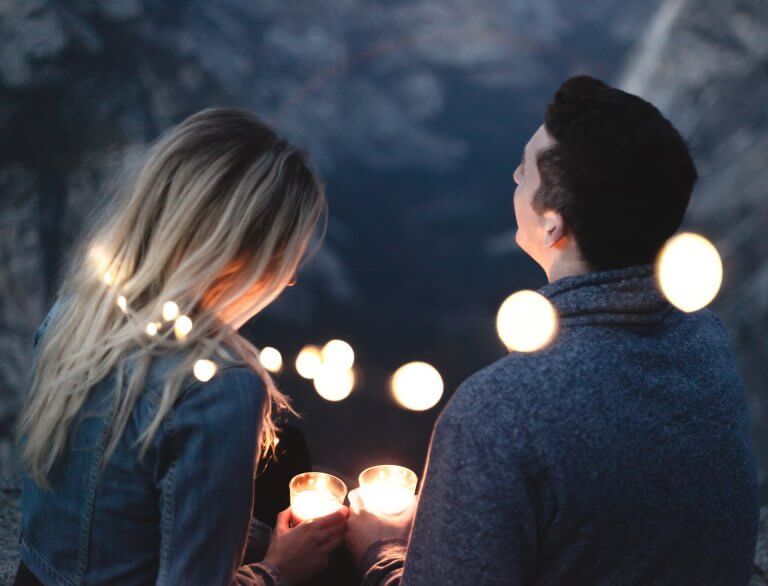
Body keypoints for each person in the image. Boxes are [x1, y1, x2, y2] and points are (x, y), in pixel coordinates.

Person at [345, 76, 760, 584]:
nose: (515, 173)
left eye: (526, 169)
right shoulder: (706, 344)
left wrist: (382, 551)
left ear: (552, 227)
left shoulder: (497, 414)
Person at [15, 109, 348, 585]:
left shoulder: (75, 313)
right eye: (283, 255)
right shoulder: (220, 386)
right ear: (238, 252)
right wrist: (277, 571)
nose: (289, 279)